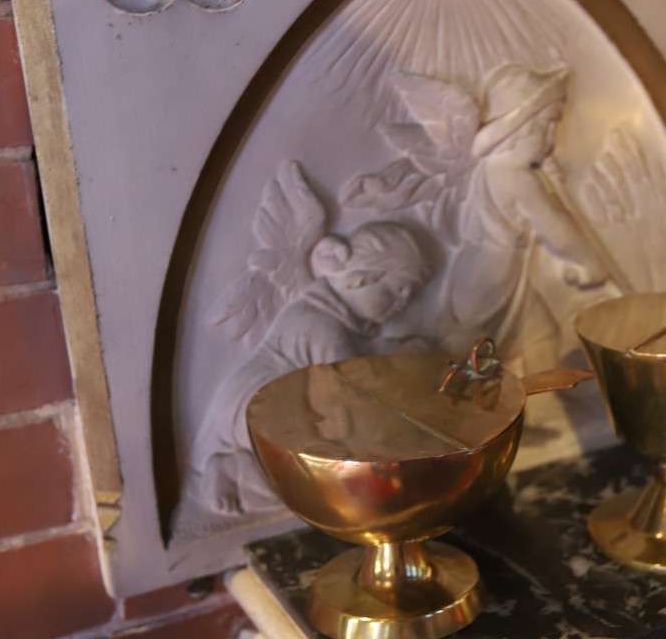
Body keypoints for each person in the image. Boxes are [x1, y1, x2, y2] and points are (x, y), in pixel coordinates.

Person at [180, 222, 432, 521]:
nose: (402, 304)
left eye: (410, 295)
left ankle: (243, 471)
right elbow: (352, 391)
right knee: (318, 484)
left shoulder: (331, 316)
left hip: (278, 408)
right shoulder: (321, 324)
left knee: (318, 481)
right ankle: (230, 471)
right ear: (359, 278)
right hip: (259, 408)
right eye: (394, 290)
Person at [445, 64, 615, 372]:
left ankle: (538, 392)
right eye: (547, 127)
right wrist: (592, 262)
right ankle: (461, 394)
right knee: (474, 355)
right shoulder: (518, 178)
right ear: (519, 130)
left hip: (478, 275)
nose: (552, 138)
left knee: (538, 335)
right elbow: (556, 228)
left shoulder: (492, 168)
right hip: (491, 281)